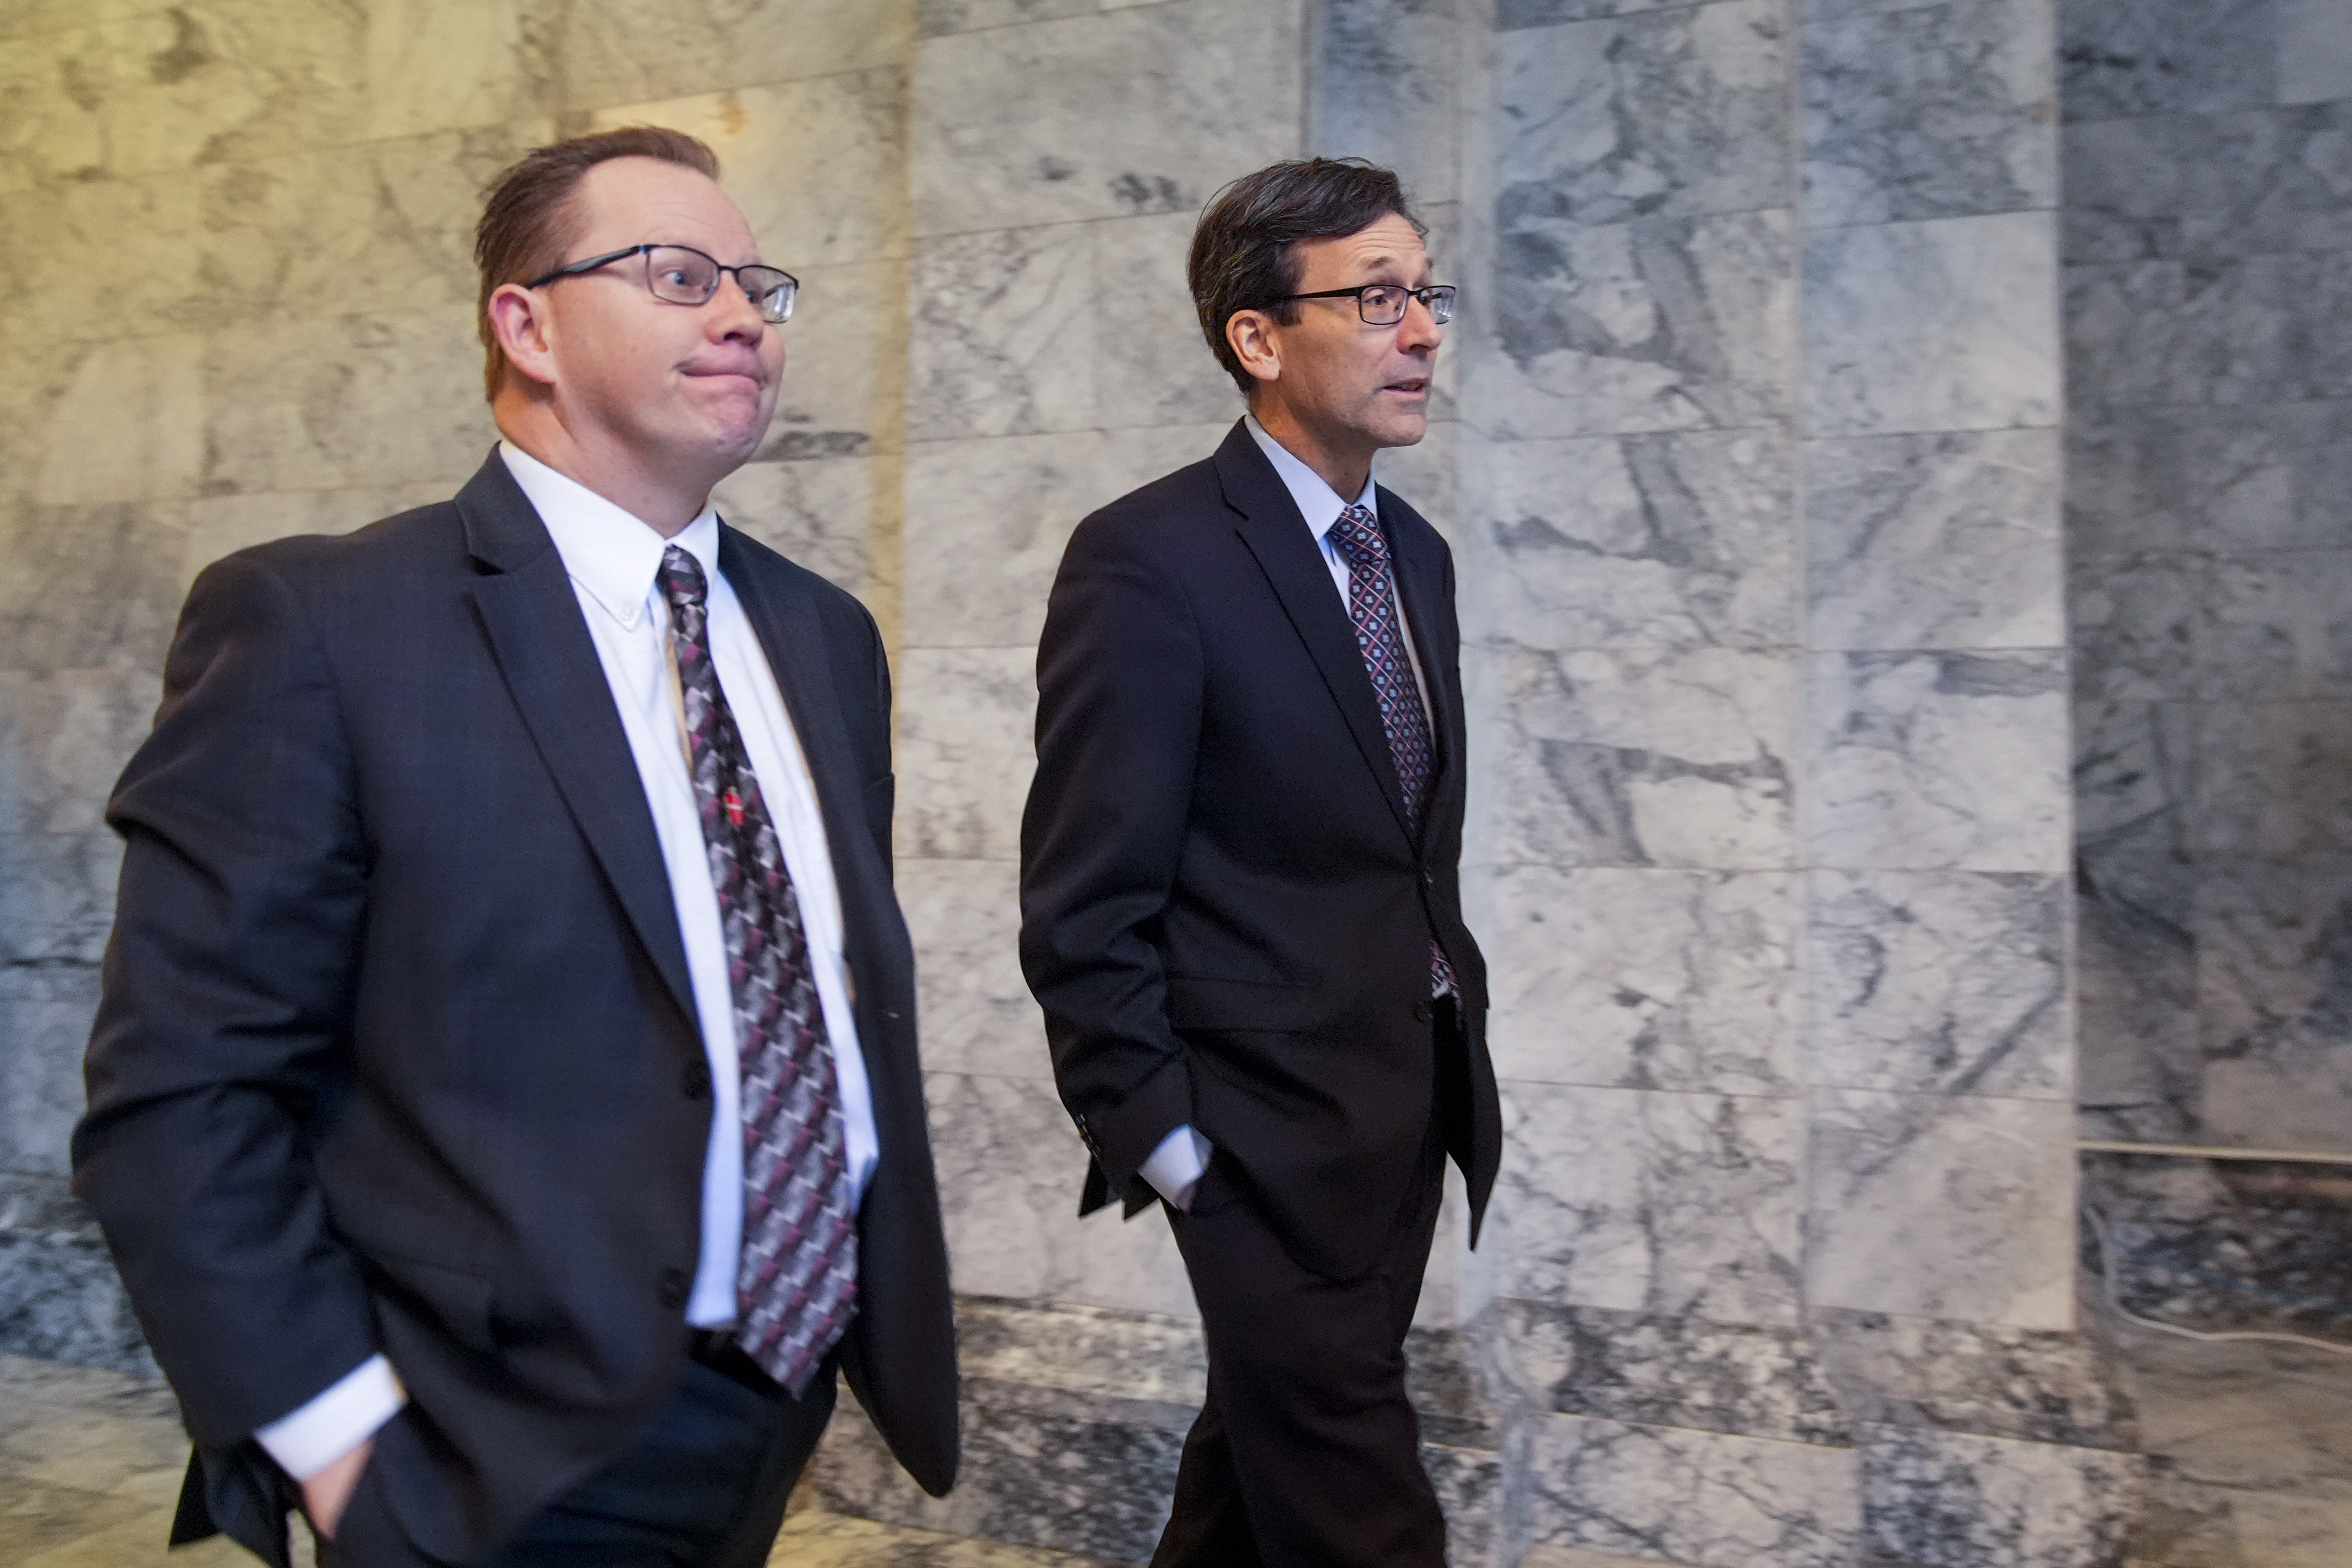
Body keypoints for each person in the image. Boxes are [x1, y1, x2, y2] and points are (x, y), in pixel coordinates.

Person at [72, 127, 956, 1568]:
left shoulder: (822, 634)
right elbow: (181, 1095)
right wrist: (342, 1446)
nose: (739, 313)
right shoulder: (322, 623)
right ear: (525, 323)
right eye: (677, 276)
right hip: (478, 1442)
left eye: (754, 283)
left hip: (778, 1398)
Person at [1018, 158, 1502, 1567]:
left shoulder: (1411, 553)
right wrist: (1171, 1147)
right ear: (1256, 335)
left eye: (1426, 294)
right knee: (1361, 1503)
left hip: (1404, 1105)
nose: (1419, 330)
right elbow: (1083, 894)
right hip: (1249, 1141)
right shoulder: (1149, 558)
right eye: (1375, 297)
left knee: (1255, 1476)